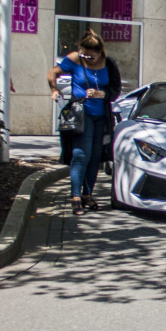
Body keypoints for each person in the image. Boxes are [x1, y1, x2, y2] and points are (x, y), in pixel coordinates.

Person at [48, 30, 121, 216]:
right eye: (86, 55)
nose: (90, 59)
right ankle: (75, 197)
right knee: (81, 154)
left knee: (96, 156)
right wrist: (54, 90)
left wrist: (102, 94)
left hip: (101, 116)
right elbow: (52, 73)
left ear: (100, 51)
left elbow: (115, 89)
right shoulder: (75, 59)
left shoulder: (109, 64)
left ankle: (88, 194)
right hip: (81, 114)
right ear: (81, 51)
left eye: (93, 56)